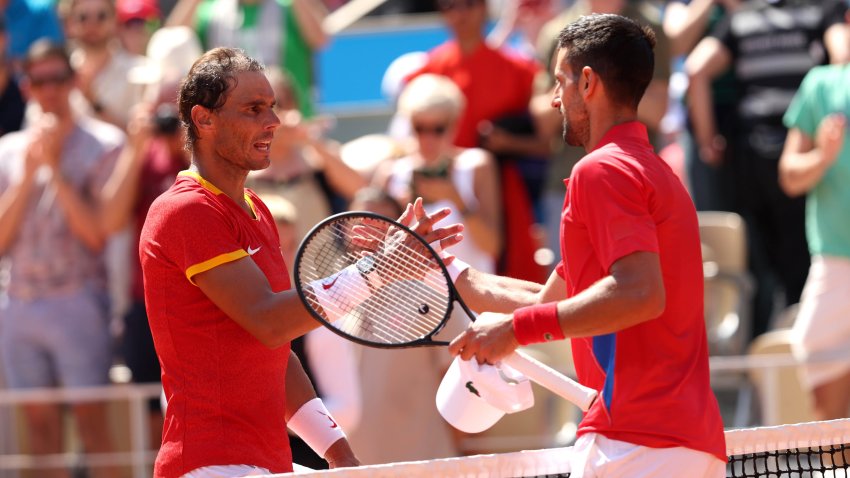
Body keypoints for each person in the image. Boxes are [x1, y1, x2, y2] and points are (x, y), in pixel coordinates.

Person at [138, 47, 462, 477]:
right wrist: (381, 268)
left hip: (264, 465)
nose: (272, 121)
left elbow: (276, 348)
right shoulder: (185, 211)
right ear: (204, 119)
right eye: (253, 109)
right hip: (208, 465)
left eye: (272, 107)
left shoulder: (257, 209)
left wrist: (338, 453)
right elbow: (269, 320)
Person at [447, 14, 726, 477]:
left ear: (589, 83)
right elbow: (546, 303)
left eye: (560, 82)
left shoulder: (601, 171)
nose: (555, 98)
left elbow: (639, 293)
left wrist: (514, 332)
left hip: (635, 444)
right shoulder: (656, 174)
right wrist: (441, 271)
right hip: (685, 444)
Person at [685, 0, 850, 338]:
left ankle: (768, 348)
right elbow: (842, 57)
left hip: (752, 156)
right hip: (808, 150)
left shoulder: (743, 18)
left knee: (760, 268)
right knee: (802, 267)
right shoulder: (822, 10)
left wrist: (707, 140)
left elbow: (695, 69)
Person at [0, 39, 123, 478]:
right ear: (27, 86)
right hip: (18, 302)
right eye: (38, 81)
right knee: (39, 431)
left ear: (73, 81)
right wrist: (31, 171)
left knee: (94, 428)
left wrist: (54, 169)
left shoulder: (105, 144)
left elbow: (96, 234)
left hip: (79, 300)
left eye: (57, 79)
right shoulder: (8, 151)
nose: (49, 89)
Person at [373, 73, 502, 275]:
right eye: (419, 128)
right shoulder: (390, 173)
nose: (427, 138)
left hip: (474, 299)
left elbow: (491, 246)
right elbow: (375, 251)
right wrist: (400, 214)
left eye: (438, 129)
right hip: (413, 300)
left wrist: (457, 199)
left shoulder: (477, 164)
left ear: (454, 124)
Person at [781, 61, 850, 422]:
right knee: (832, 435)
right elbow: (790, 176)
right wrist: (823, 156)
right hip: (835, 266)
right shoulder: (821, 85)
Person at [166, 0, 329, 118]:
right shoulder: (211, 11)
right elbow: (171, 41)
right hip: (232, 124)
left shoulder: (290, 7)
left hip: (289, 124)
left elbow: (320, 39)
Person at [64, 0, 147, 128]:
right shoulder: (58, 72)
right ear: (70, 24)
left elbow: (140, 136)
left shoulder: (141, 70)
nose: (92, 24)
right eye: (83, 17)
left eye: (101, 16)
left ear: (115, 21)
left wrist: (94, 103)